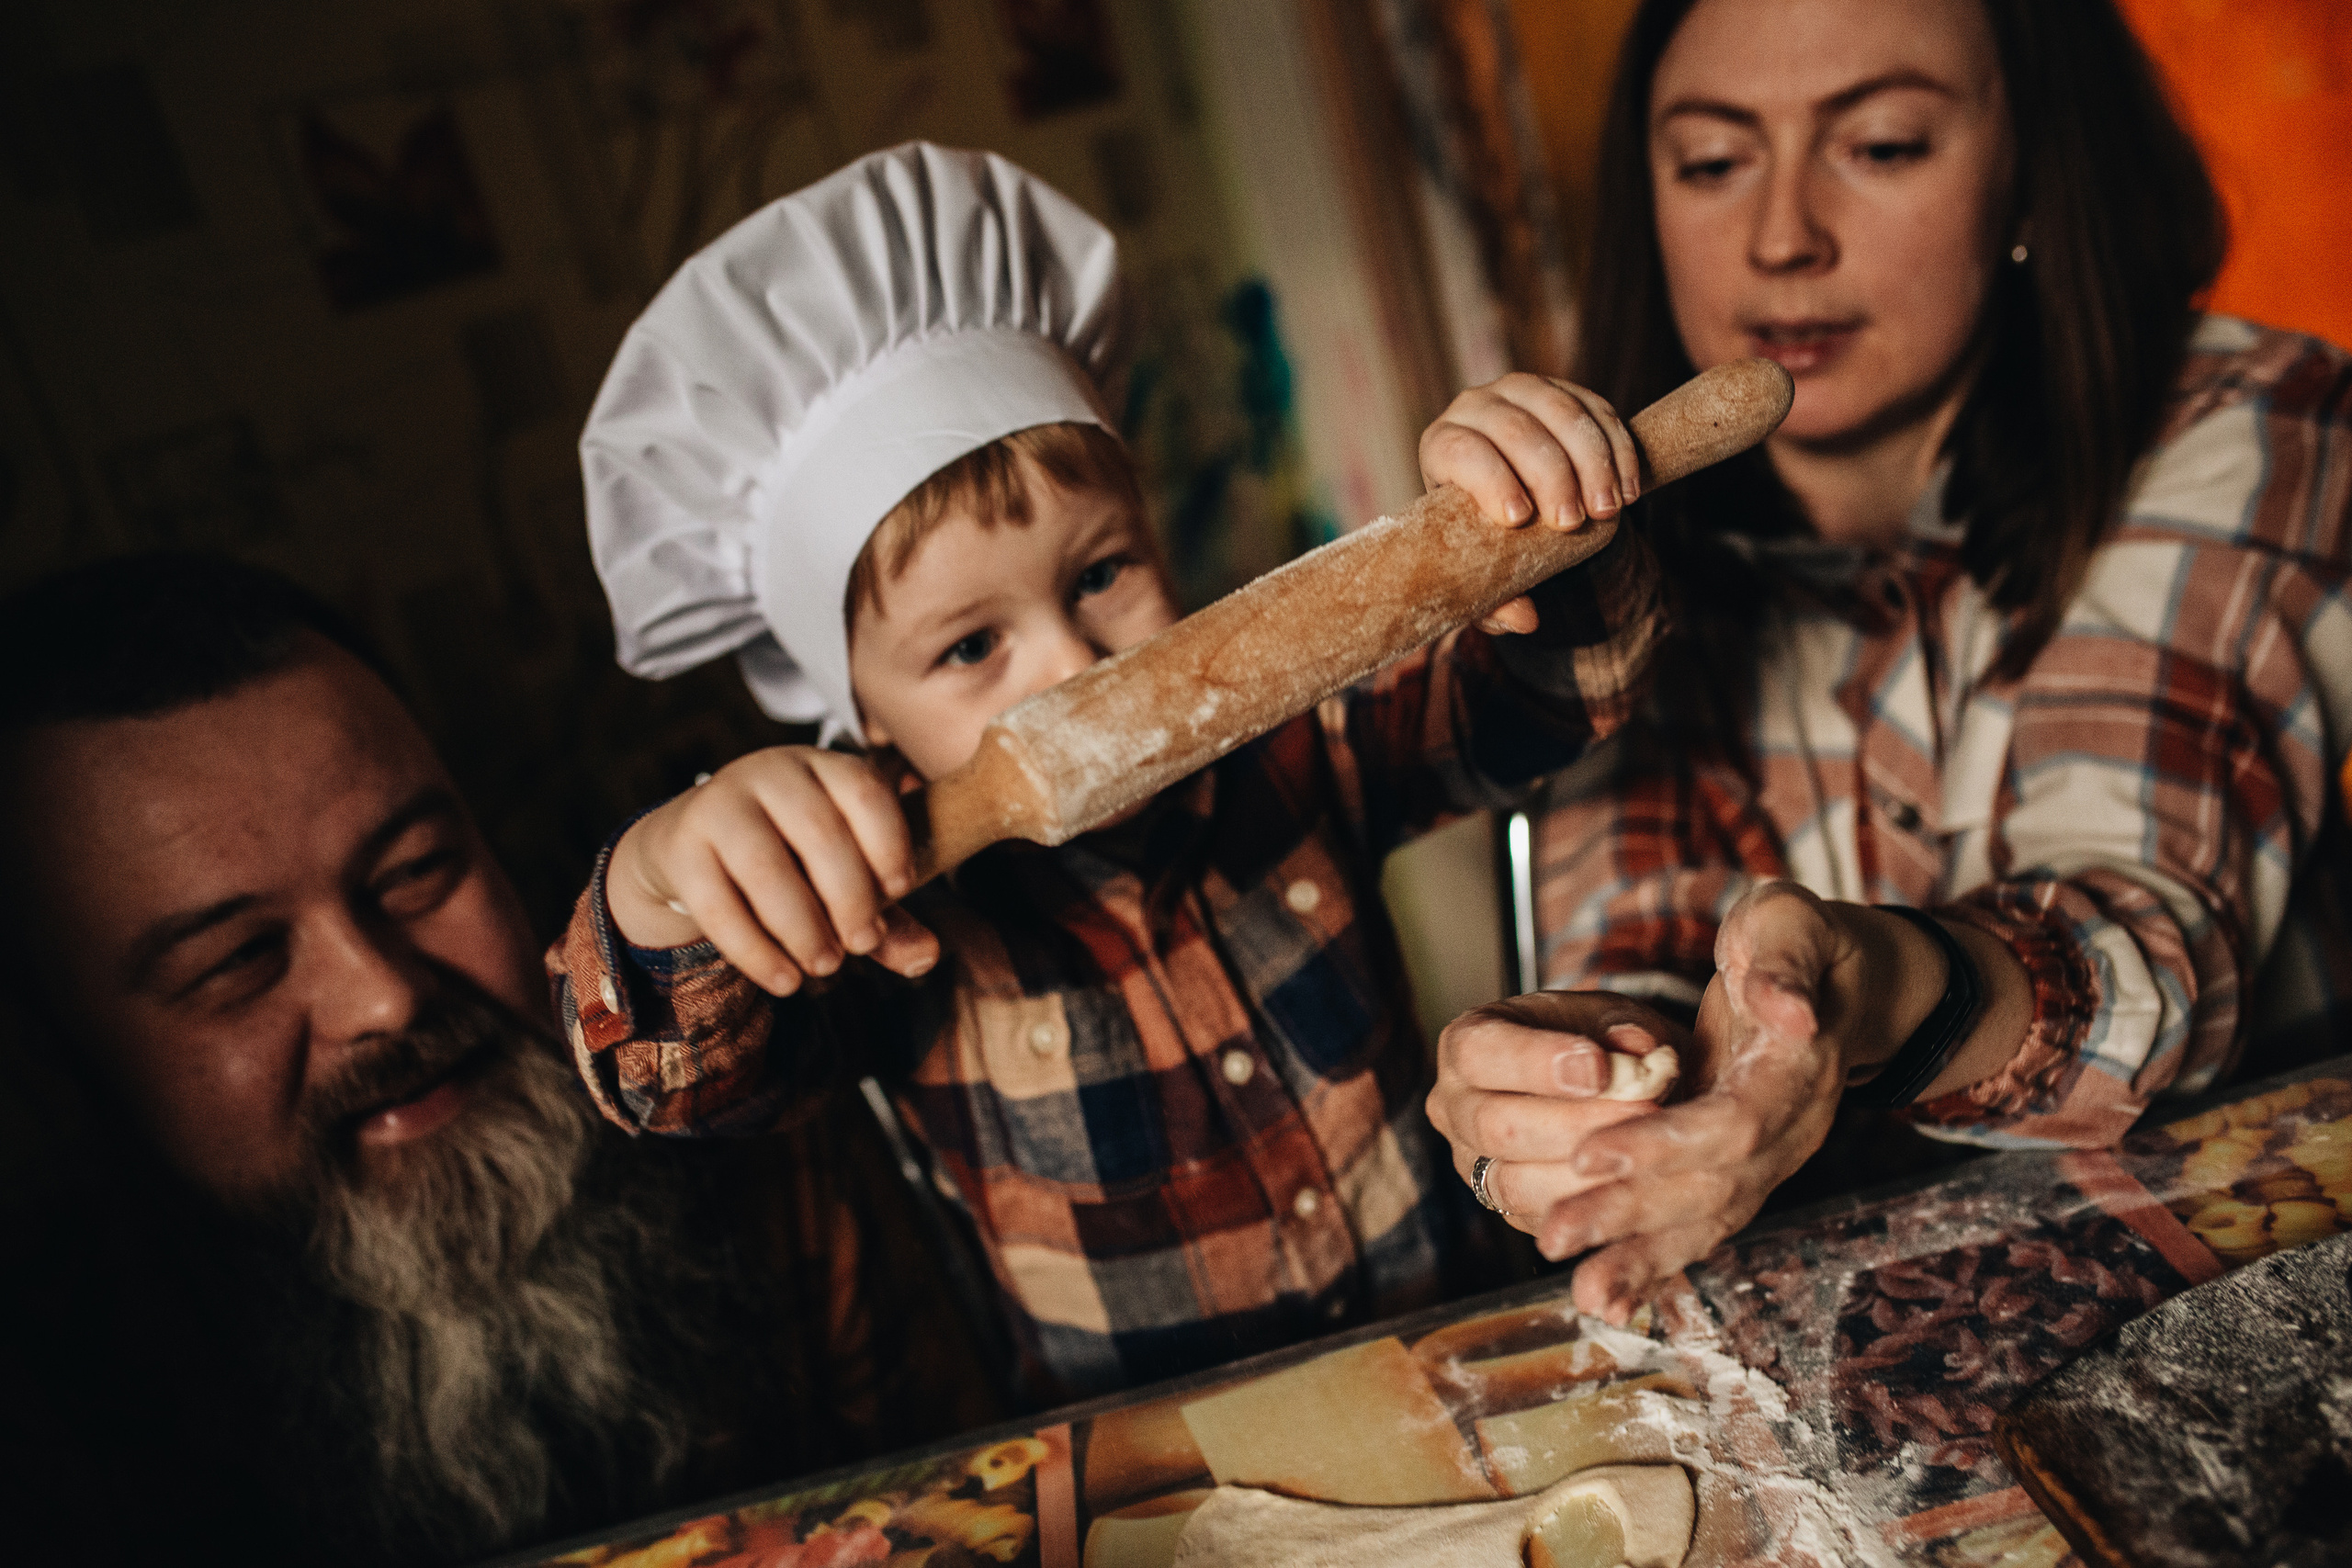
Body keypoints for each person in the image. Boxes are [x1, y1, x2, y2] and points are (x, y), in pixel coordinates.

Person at [555, 141, 1668, 1403]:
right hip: (1164, 1483)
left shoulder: (1298, 751)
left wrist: (1534, 523)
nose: (1070, 664)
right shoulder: (880, 924)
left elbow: (1547, 697)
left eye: (1100, 575)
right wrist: (664, 882)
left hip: (1468, 1359)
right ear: (860, 722)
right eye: (969, 645)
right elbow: (681, 1075)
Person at [1425, 0, 2352, 1325]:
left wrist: (1868, 986)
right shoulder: (1615, 562)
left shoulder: (2254, 419)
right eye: (1710, 161)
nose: (1783, 236)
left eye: (1884, 145)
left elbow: (2147, 936)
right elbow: (1647, 941)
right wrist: (1588, 1072)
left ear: (2032, 164)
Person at [0, 556, 977, 1567]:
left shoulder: (749, 1137)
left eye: (415, 872)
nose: (383, 996)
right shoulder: (43, 1455)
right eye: (238, 962)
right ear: (59, 1057)